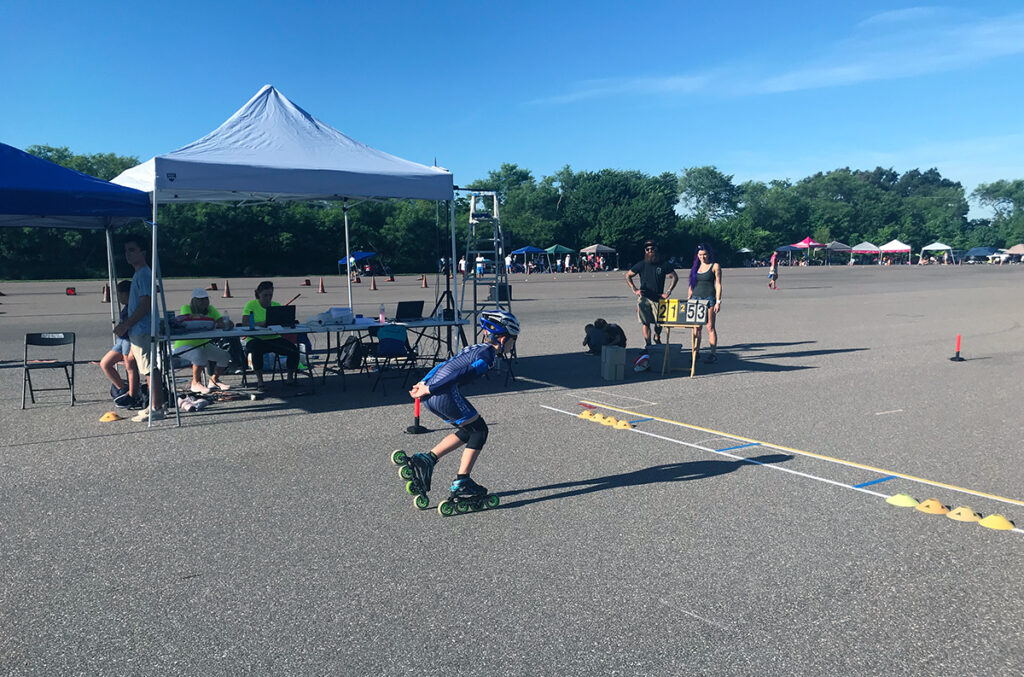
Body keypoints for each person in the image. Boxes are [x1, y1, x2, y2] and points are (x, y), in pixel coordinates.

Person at [403, 310, 520, 506]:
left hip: (432, 395)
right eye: (513, 339)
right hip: (442, 393)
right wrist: (430, 387)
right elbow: (458, 374)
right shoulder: (489, 355)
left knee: (469, 429)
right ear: (502, 337)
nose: (513, 344)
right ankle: (462, 481)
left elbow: (445, 364)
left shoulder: (476, 347)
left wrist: (423, 384)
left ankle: (427, 459)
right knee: (480, 431)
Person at [112, 234, 166, 422]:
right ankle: (149, 403)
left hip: (143, 329)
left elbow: (145, 304)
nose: (128, 254)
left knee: (150, 368)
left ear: (143, 252)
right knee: (136, 363)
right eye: (126, 250)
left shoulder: (144, 273)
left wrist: (127, 324)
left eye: (132, 250)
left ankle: (156, 407)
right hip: (137, 331)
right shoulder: (138, 274)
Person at [173, 288, 234, 394]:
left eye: (205, 299)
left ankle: (214, 380)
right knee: (198, 354)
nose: (203, 302)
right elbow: (191, 321)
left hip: (203, 344)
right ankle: (195, 383)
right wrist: (210, 322)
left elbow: (221, 322)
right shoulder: (186, 308)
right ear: (194, 300)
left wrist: (225, 323)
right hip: (185, 344)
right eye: (200, 300)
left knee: (224, 356)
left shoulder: (211, 309)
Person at [242, 281, 300, 389]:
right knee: (256, 351)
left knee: (294, 350)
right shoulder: (251, 304)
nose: (268, 298)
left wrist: (287, 323)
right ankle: (260, 381)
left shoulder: (276, 305)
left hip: (274, 338)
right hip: (256, 339)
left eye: (270, 295)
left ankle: (290, 378)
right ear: (258, 294)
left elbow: (282, 321)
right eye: (265, 295)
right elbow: (245, 323)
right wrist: (261, 324)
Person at [625, 240, 677, 348]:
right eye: (647, 249)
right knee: (645, 322)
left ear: (656, 250)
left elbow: (674, 277)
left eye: (652, 249)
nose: (650, 251)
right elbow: (628, 275)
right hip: (644, 297)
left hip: (658, 298)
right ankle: (648, 345)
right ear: (645, 251)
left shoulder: (663, 264)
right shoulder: (641, 264)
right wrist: (635, 289)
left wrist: (668, 291)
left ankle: (657, 336)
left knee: (659, 323)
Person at [100, 280, 141, 408]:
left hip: (130, 339)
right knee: (105, 363)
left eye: (121, 295)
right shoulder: (126, 307)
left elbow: (133, 322)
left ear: (129, 294)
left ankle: (133, 395)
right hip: (121, 340)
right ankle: (122, 389)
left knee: (130, 367)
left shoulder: (135, 306)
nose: (119, 298)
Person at [687, 243, 723, 363]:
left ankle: (713, 353)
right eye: (700, 255)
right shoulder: (695, 267)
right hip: (695, 299)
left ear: (709, 254)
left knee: (710, 327)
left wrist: (718, 301)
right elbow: (692, 285)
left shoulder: (715, 266)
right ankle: (695, 351)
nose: (703, 257)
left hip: (709, 299)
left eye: (705, 254)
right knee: (696, 328)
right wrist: (689, 298)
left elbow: (718, 284)